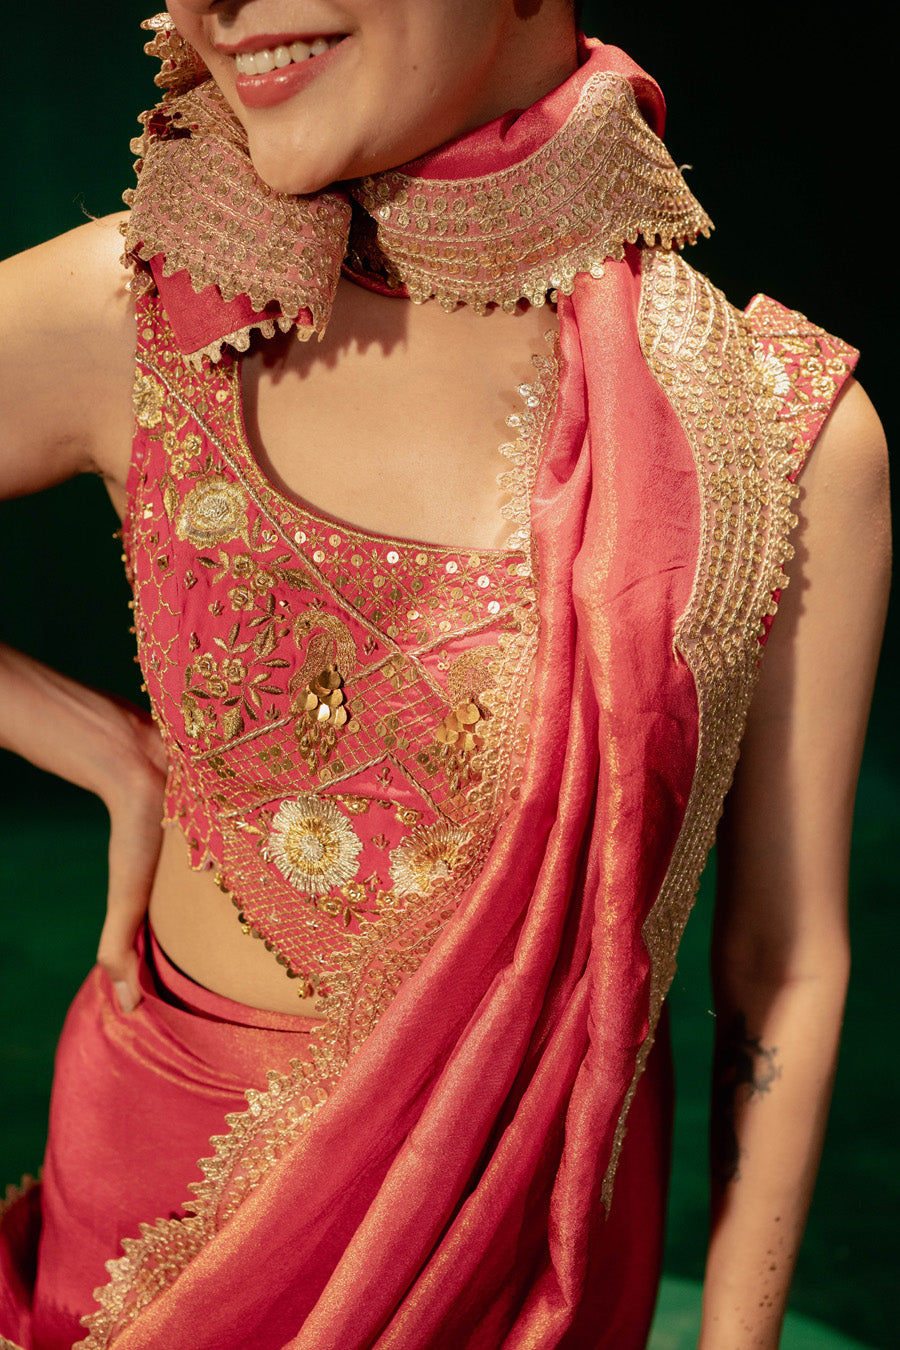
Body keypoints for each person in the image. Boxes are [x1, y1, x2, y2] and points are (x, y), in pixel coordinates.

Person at [0, 2, 889, 1348]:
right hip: (159, 1221)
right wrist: (92, 740)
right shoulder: (141, 300)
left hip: (533, 1257)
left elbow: (782, 962)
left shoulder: (771, 432)